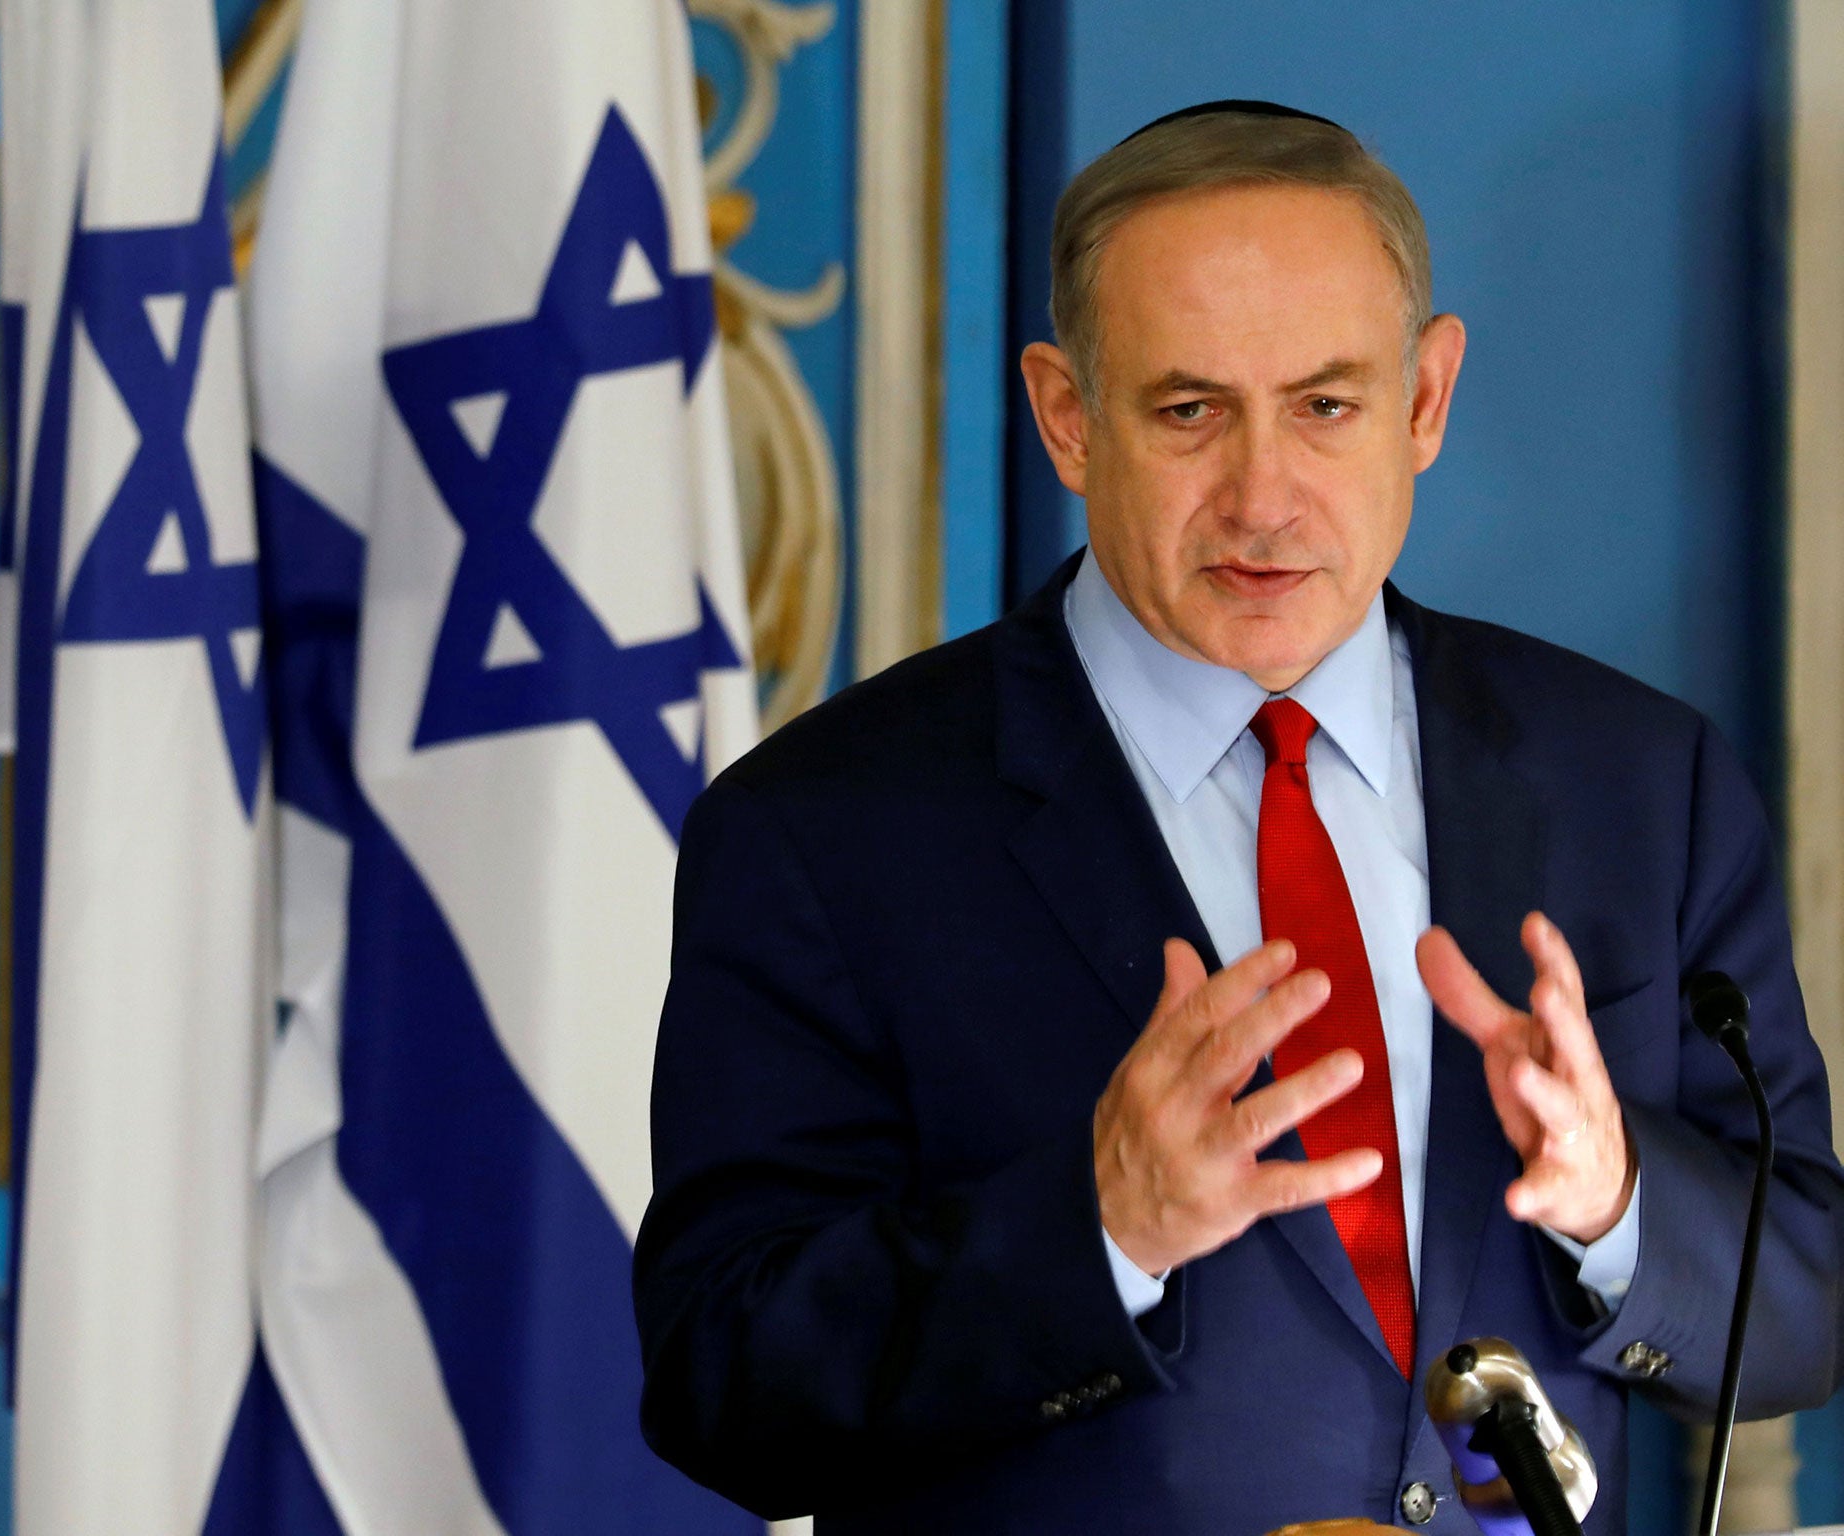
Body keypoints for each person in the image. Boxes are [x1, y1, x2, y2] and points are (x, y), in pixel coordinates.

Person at [633, 102, 1844, 1535]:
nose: (1263, 498)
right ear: (1068, 418)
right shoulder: (824, 830)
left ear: (1426, 401)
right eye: (1190, 411)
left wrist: (1617, 1199)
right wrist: (1100, 1232)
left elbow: (1806, 1307)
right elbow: (723, 1387)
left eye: (1325, 407)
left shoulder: (1640, 781)